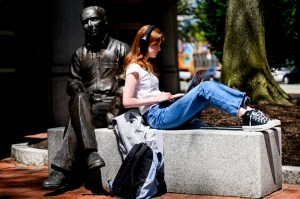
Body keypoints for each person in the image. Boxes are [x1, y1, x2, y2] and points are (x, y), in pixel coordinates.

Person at [122, 25, 281, 131]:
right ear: (143, 44)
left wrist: (167, 97)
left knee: (208, 85)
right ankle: (247, 116)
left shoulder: (146, 67)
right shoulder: (134, 68)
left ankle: (249, 111)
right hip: (157, 117)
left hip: (162, 109)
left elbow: (147, 94)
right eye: (155, 45)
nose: (159, 48)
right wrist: (157, 98)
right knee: (205, 88)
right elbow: (127, 101)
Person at [42, 6, 130, 192]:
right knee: (79, 98)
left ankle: (61, 170)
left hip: (111, 108)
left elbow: (131, 82)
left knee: (76, 119)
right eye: (85, 22)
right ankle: (91, 154)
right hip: (88, 107)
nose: (89, 25)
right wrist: (77, 86)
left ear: (104, 20)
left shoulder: (122, 48)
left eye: (94, 20)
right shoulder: (79, 54)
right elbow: (71, 82)